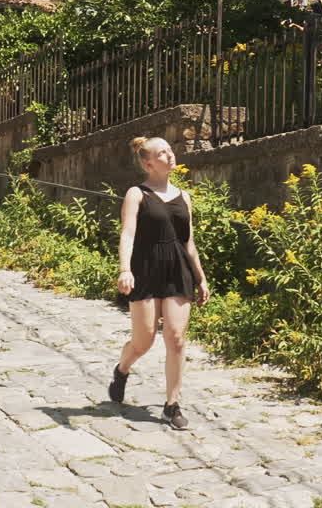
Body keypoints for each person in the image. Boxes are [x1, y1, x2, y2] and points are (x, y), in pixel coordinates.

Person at [109, 136, 210, 429]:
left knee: (176, 337)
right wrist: (125, 269)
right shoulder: (136, 194)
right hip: (145, 269)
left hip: (177, 270)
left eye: (170, 150)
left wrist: (201, 278)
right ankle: (122, 368)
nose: (170, 155)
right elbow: (127, 233)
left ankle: (171, 405)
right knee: (144, 340)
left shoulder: (184, 197)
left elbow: (189, 242)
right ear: (148, 162)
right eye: (162, 153)